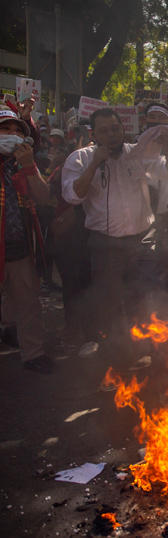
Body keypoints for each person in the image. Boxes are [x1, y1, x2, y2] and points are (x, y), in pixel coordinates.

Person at [62, 108, 168, 355]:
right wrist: (95, 163)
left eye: (115, 128)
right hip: (106, 244)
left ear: (123, 128)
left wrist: (167, 151)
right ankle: (116, 354)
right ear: (94, 134)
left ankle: (149, 349)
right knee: (110, 301)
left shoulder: (137, 153)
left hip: (143, 240)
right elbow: (73, 196)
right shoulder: (79, 159)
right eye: (103, 130)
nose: (111, 135)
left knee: (147, 294)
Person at [0, 106, 52, 373]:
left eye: (16, 131)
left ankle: (33, 354)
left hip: (20, 249)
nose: (11, 135)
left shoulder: (23, 165)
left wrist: (29, 166)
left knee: (29, 303)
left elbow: (43, 198)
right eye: (5, 130)